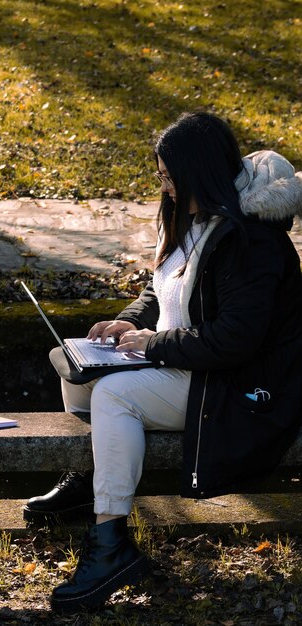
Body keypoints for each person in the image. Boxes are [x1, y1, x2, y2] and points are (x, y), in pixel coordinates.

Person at [24, 111, 302, 612]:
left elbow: (234, 340)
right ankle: (98, 479)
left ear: (199, 172)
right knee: (80, 375)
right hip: (191, 364)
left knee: (114, 394)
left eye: (170, 177)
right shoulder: (194, 218)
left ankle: (111, 544)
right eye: (161, 178)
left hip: (237, 386)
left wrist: (153, 345)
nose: (166, 188)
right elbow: (165, 290)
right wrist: (128, 324)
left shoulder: (251, 242)